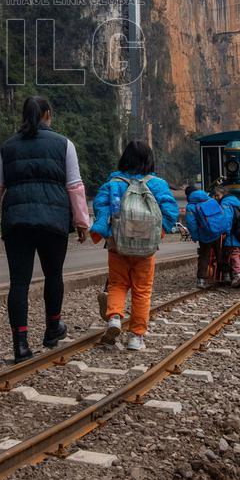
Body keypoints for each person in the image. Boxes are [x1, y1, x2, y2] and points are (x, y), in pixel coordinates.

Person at [0, 96, 89, 363]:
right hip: (53, 221)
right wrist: (82, 221)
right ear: (47, 114)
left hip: (17, 222)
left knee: (19, 282)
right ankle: (53, 329)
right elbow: (74, 185)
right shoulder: (64, 144)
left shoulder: (7, 147)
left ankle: (21, 345)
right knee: (53, 275)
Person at [91, 140, 179, 350]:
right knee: (142, 290)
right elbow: (170, 210)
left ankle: (114, 317)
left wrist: (103, 226)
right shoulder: (157, 184)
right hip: (146, 247)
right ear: (149, 161)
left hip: (117, 245)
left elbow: (100, 205)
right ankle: (136, 337)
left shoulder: (114, 182)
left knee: (117, 283)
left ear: (125, 159)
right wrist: (160, 231)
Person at [184, 185, 230, 288]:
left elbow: (191, 224)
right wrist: (224, 229)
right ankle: (226, 275)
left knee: (204, 257)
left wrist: (196, 237)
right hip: (217, 232)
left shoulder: (191, 206)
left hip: (204, 236)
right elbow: (221, 214)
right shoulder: (210, 199)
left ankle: (201, 280)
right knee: (220, 253)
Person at [213, 186, 240, 287]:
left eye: (218, 195)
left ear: (223, 194)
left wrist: (225, 232)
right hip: (239, 231)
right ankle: (235, 274)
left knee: (233, 252)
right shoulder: (236, 201)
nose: (217, 197)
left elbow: (226, 219)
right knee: (239, 252)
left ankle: (237, 274)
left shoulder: (225, 203)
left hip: (232, 233)